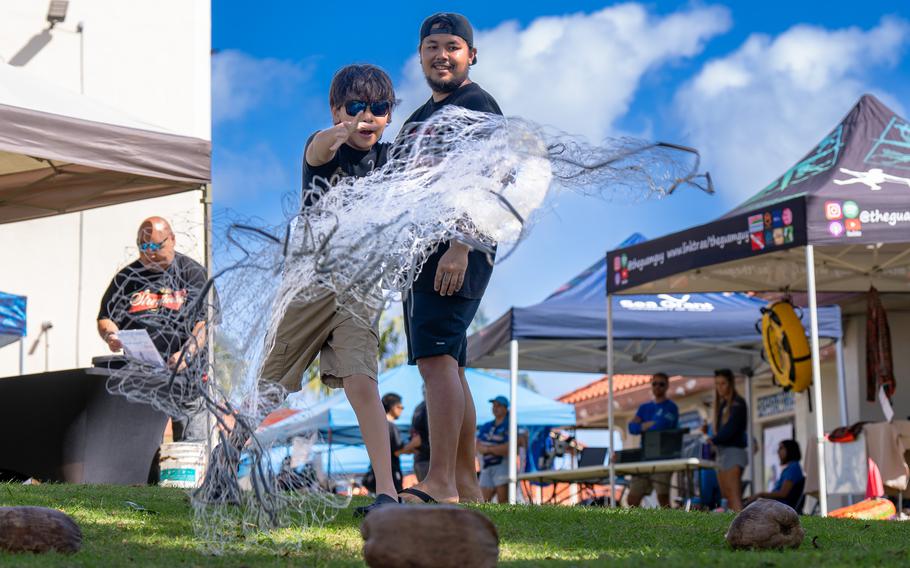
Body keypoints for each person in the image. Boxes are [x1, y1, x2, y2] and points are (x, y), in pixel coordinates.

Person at [258, 64, 399, 517]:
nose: (368, 117)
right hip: (312, 283)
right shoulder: (323, 149)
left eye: (378, 108)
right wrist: (337, 131)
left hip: (362, 287)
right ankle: (221, 467)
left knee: (363, 382)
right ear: (336, 111)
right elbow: (319, 148)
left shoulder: (392, 159)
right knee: (272, 382)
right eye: (355, 107)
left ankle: (388, 493)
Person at [398, 12, 503, 506]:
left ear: (471, 55)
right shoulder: (417, 119)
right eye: (432, 46)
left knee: (436, 360)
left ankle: (439, 481)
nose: (442, 54)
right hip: (421, 252)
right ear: (420, 55)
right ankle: (465, 485)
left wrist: (460, 244)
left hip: (458, 247)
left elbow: (492, 176)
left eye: (453, 46)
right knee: (451, 366)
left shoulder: (477, 104)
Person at [97, 216, 212, 442]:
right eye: (143, 247)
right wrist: (111, 335)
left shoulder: (192, 273)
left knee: (191, 446)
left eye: (155, 246)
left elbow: (204, 323)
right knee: (141, 443)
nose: (149, 253)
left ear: (172, 240)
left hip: (186, 380)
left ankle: (193, 478)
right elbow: (105, 318)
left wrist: (186, 354)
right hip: (142, 380)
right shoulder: (127, 277)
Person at [627, 373, 679, 507]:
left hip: (663, 458)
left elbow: (661, 425)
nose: (657, 387)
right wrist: (646, 425)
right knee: (632, 499)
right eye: (654, 383)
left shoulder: (671, 407)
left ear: (667, 386)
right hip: (644, 458)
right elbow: (632, 427)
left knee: (663, 499)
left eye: (661, 384)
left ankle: (670, 526)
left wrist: (642, 426)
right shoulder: (644, 407)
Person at [708, 368, 748, 512]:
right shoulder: (723, 405)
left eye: (723, 383)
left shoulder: (738, 403)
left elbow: (731, 429)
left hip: (733, 453)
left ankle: (743, 528)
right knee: (726, 496)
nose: (720, 387)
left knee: (733, 495)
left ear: (730, 383)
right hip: (722, 453)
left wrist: (714, 439)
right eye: (717, 384)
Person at [746, 439, 804, 510]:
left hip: (781, 507)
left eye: (781, 448)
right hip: (778, 504)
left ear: (790, 450)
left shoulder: (793, 468)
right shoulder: (791, 467)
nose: (778, 451)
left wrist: (761, 494)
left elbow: (783, 494)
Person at [476, 396, 511, 503]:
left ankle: (505, 520)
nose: (495, 408)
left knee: (503, 502)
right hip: (487, 466)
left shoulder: (510, 425)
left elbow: (509, 448)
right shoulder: (487, 425)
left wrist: (486, 449)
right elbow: (477, 445)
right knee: (483, 502)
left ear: (505, 408)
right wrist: (495, 448)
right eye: (493, 405)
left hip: (503, 465)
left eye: (498, 406)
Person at [403, 393, 431, 482]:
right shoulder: (426, 408)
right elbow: (416, 437)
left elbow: (415, 434)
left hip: (421, 458)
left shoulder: (419, 408)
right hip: (427, 458)